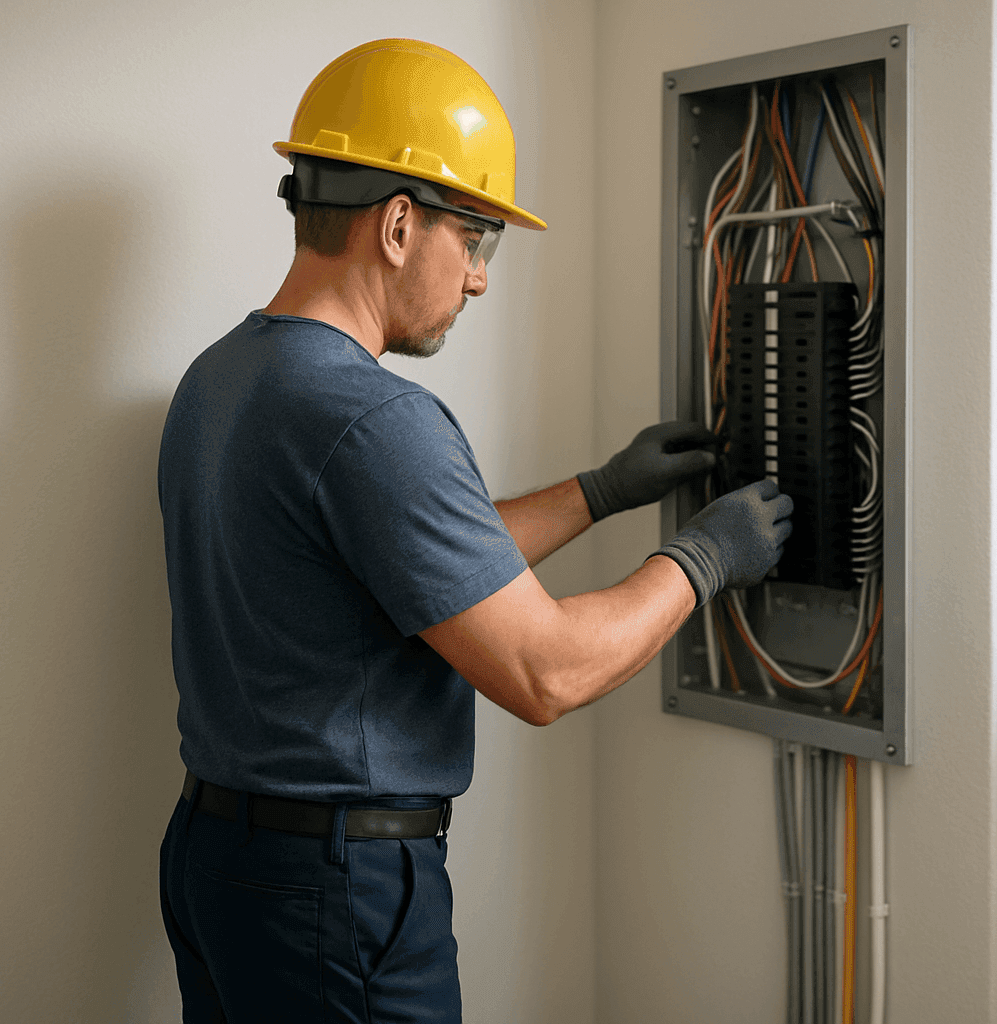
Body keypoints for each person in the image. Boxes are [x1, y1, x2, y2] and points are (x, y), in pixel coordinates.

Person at [156, 38, 793, 1022]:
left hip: (220, 862)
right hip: (338, 892)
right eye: (477, 238)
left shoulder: (222, 381)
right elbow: (546, 671)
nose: (482, 279)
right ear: (401, 224)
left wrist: (600, 489)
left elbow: (396, 558)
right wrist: (704, 557)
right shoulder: (375, 418)